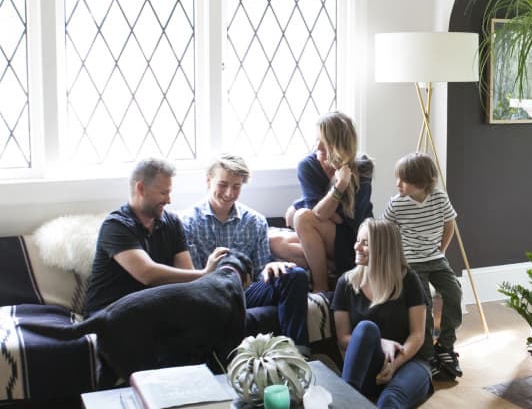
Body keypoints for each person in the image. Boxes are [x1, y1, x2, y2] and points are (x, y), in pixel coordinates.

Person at [181, 153, 310, 350]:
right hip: (209, 294)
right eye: (222, 185)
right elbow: (192, 277)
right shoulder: (187, 222)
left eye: (236, 186)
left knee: (295, 275)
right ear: (208, 181)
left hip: (247, 293)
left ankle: (297, 353)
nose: (229, 193)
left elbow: (259, 272)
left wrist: (271, 266)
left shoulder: (255, 221)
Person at [331, 218, 432, 409]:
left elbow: (417, 335)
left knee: (391, 398)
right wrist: (381, 341)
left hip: (411, 361)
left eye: (365, 243)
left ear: (383, 249)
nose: (357, 247)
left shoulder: (408, 280)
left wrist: (395, 364)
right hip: (369, 363)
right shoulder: (346, 283)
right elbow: (343, 338)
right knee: (366, 329)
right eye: (358, 241)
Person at [85, 157, 228, 316]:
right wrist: (205, 273)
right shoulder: (115, 226)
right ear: (141, 188)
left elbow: (187, 277)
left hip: (151, 311)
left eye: (169, 192)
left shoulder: (172, 222)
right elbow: (147, 274)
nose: (168, 200)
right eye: (163, 193)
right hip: (109, 314)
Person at [270, 111, 374, 292]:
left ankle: (321, 287)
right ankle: (331, 266)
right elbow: (320, 213)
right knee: (273, 241)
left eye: (323, 140)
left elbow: (350, 219)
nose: (317, 145)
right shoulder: (307, 165)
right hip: (328, 235)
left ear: (339, 143)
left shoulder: (362, 166)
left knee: (301, 217)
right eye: (316, 139)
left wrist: (340, 184)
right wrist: (334, 197)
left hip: (354, 238)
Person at [383, 152, 463, 380]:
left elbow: (450, 224)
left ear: (420, 183)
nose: (397, 184)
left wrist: (442, 249)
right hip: (411, 262)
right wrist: (397, 259)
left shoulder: (439, 198)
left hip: (435, 258)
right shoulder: (397, 204)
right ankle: (427, 354)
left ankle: (446, 346)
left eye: (403, 180)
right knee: (424, 305)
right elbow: (385, 231)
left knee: (454, 292)